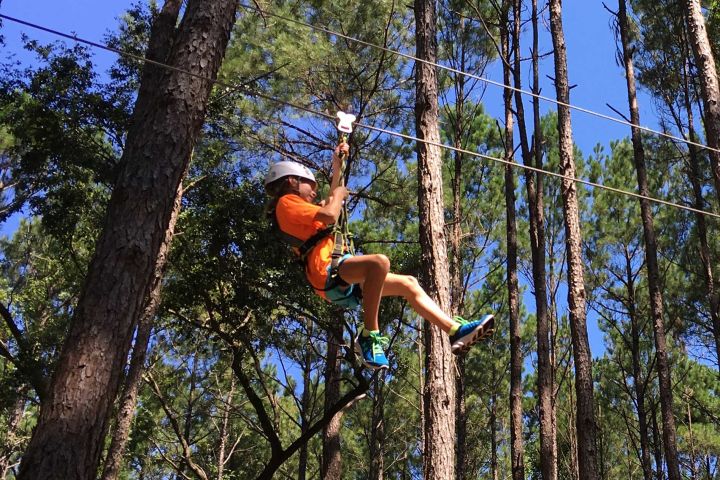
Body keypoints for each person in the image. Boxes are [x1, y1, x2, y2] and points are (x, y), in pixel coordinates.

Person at [264, 142, 494, 370]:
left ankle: (454, 331)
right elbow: (330, 213)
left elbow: (331, 200)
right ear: (292, 182)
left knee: (408, 284)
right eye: (310, 185)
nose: (314, 192)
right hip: (325, 270)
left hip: (335, 273)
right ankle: (368, 335)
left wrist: (338, 165)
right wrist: (338, 195)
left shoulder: (299, 211)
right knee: (378, 263)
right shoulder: (286, 203)